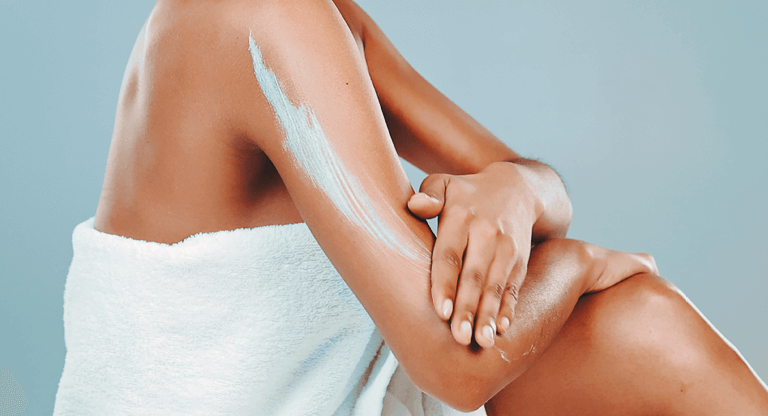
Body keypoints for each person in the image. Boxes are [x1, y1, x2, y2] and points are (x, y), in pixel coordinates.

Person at [53, 0, 768, 414]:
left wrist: (513, 194)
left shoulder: (323, 18)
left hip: (343, 396)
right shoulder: (259, 14)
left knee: (638, 321)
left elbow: (537, 183)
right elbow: (453, 368)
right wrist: (577, 266)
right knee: (637, 315)